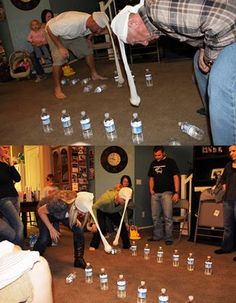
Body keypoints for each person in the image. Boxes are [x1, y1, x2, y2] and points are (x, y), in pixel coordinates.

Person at [111, 0, 236, 144]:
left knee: (221, 77)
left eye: (135, 41)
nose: (145, 44)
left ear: (132, 23)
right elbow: (202, 27)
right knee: (198, 61)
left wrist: (210, 58)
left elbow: (225, 19)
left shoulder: (158, 9)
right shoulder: (157, 22)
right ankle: (213, 111)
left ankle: (228, 141)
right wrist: (203, 49)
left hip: (231, 26)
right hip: (222, 28)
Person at [45, 11, 109, 99]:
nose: (98, 32)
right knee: (59, 59)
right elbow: (49, 29)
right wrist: (60, 47)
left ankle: (94, 74)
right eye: (98, 29)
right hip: (54, 34)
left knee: (88, 50)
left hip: (72, 35)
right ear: (93, 22)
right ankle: (57, 88)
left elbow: (92, 31)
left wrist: (89, 38)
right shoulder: (72, 22)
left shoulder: (90, 23)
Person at [33, 190, 93, 269]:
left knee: (78, 230)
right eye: (81, 212)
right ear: (75, 205)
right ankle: (33, 261)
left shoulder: (75, 202)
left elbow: (70, 211)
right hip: (44, 213)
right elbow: (40, 211)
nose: (83, 215)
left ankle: (79, 259)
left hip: (60, 214)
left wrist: (75, 218)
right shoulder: (59, 204)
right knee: (44, 238)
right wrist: (51, 228)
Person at [147, 146, 180, 245]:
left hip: (167, 193)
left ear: (164, 153)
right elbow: (151, 178)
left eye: (159, 155)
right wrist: (151, 190)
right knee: (155, 217)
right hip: (155, 194)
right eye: (155, 155)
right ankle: (157, 236)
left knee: (167, 216)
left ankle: (169, 238)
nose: (157, 157)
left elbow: (176, 177)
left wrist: (176, 192)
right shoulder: (153, 164)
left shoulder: (171, 162)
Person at [214, 146, 236, 261]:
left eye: (234, 151)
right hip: (228, 200)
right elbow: (223, 180)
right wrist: (225, 189)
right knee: (228, 226)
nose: (231, 153)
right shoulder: (228, 166)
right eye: (230, 152)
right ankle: (226, 247)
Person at [0, 146, 24, 247]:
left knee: (11, 227)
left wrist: (10, 164)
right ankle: (18, 250)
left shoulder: (6, 165)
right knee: (20, 226)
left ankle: (8, 251)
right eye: (4, 148)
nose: (6, 150)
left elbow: (18, 178)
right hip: (4, 199)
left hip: (15, 197)